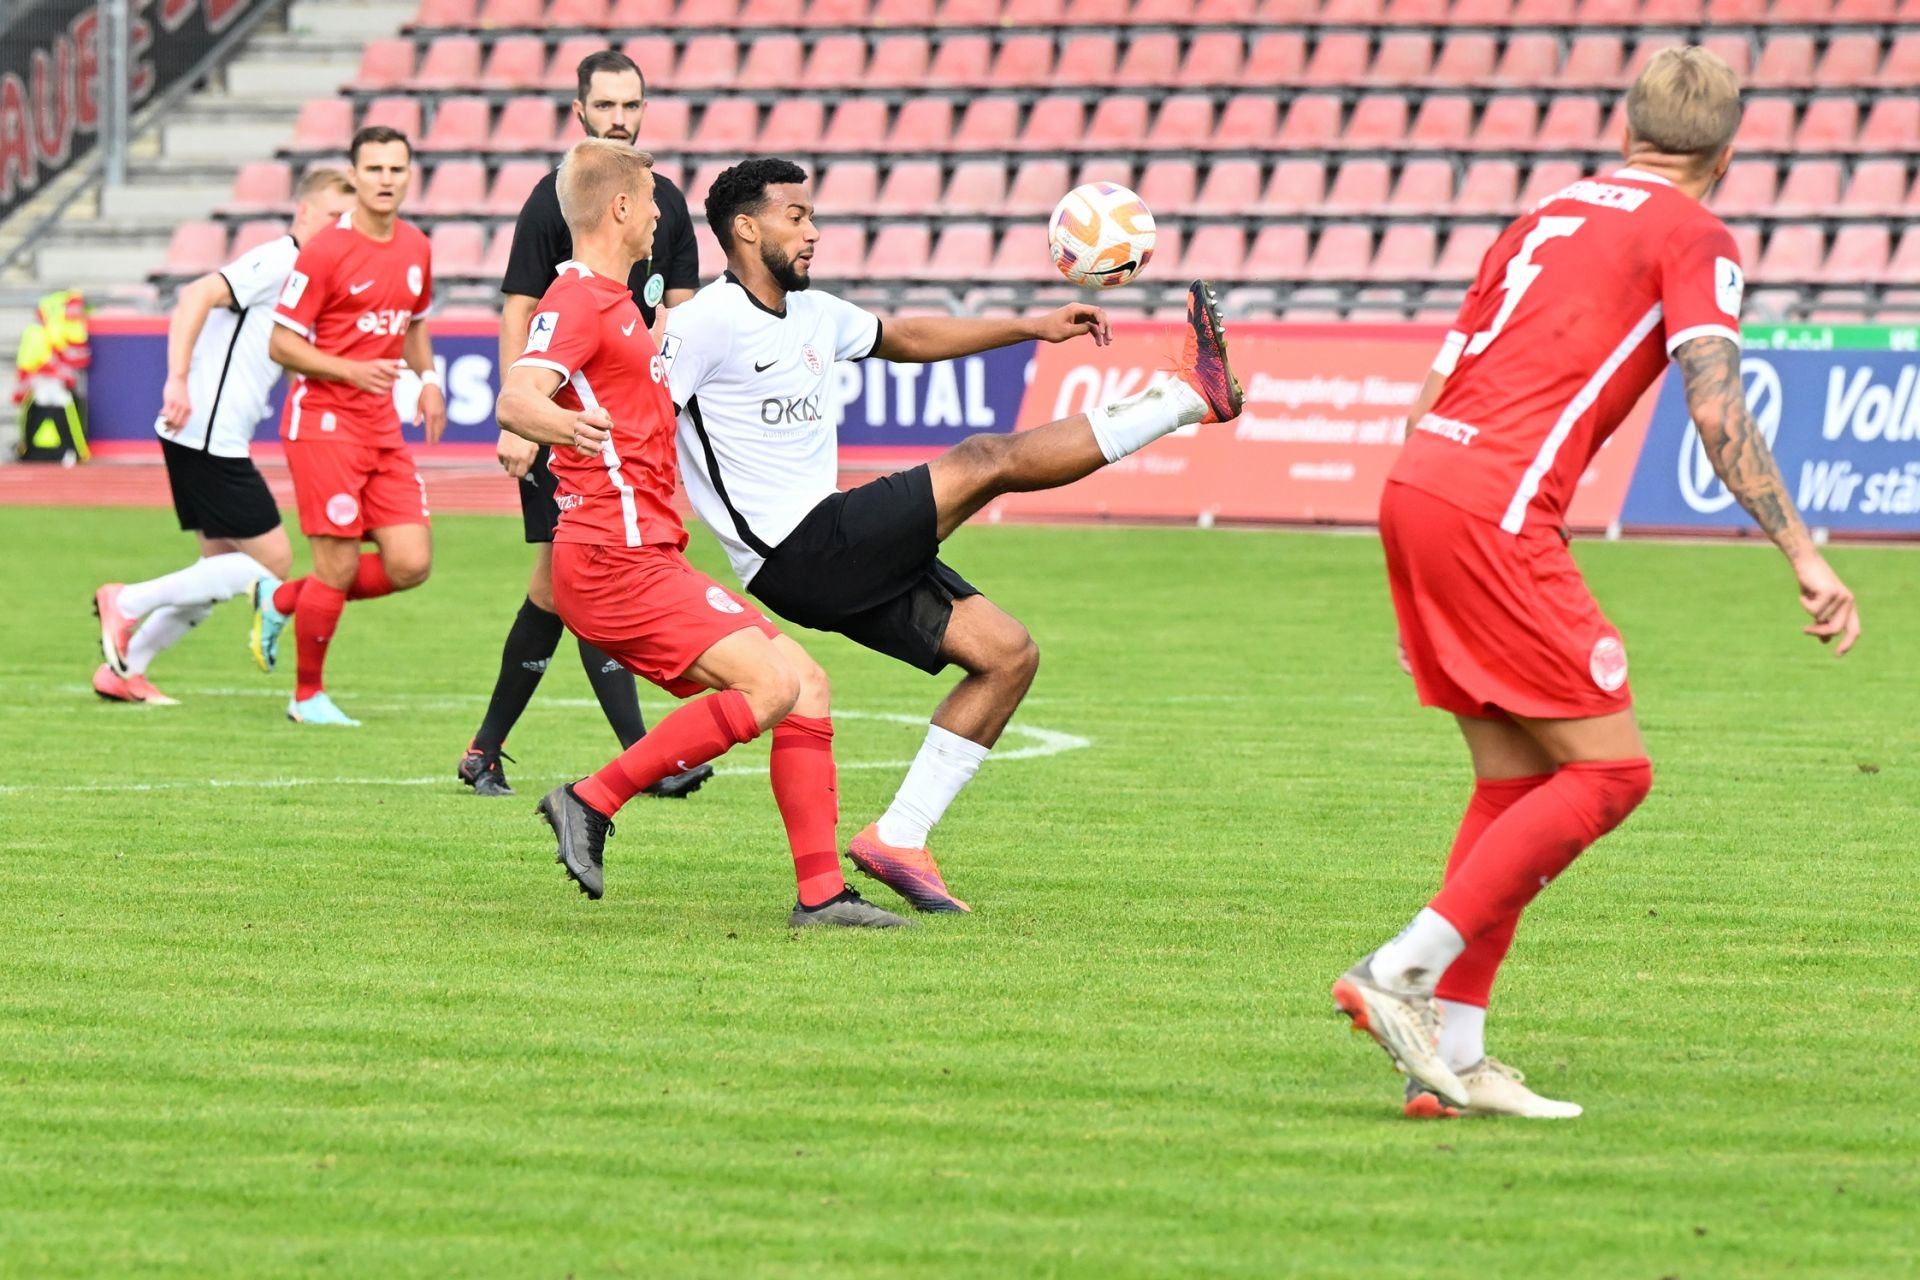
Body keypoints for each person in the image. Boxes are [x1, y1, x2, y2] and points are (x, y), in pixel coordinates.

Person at [1332, 46, 1862, 1120]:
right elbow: (1716, 405)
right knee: (1613, 772)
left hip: (1424, 483)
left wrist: (1422, 576)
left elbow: (1440, 382)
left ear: (1627, 130)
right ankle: (1401, 969)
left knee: (1516, 781)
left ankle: (1454, 1061)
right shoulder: (1695, 234)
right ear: (1726, 152)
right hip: (1498, 507)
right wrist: (1804, 552)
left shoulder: (1542, 215)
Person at [664, 158, 1243, 915]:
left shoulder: (812, 313)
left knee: (1007, 656)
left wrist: (1031, 326)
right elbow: (644, 415)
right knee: (983, 460)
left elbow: (906, 336)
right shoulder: (703, 323)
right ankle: (1188, 397)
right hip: (795, 549)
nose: (813, 232)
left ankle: (898, 838)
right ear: (745, 228)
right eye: (796, 217)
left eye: (811, 216)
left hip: (834, 546)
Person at [498, 139, 906, 927]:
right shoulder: (576, 299)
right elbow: (517, 398)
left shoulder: (621, 304)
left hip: (645, 553)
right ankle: (591, 799)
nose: (662, 214)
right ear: (620, 207)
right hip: (611, 556)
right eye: (652, 201)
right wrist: (566, 428)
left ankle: (822, 895)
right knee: (770, 686)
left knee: (805, 684)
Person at [461, 48, 711, 799]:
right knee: (584, 579)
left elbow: (682, 318)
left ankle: (485, 749)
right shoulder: (556, 200)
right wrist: (521, 423)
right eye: (605, 105)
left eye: (630, 105)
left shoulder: (665, 203)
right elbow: (520, 310)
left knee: (560, 589)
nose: (619, 118)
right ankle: (642, 755)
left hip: (626, 426)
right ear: (579, 111)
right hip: (568, 422)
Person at [91, 169, 357, 704]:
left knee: (216, 573)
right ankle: (126, 601)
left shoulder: (305, 275)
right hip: (207, 433)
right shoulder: (279, 259)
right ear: (304, 212)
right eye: (332, 216)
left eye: (346, 221)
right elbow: (196, 295)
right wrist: (177, 378)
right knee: (271, 562)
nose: (339, 229)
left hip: (207, 433)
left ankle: (125, 670)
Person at [251, 125, 446, 727]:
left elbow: (414, 322)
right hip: (324, 423)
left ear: (409, 175)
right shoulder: (326, 251)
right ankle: (306, 696)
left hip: (380, 425)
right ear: (355, 176)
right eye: (375, 169)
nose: (386, 179)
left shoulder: (416, 246)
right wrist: (351, 370)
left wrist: (429, 378)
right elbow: (282, 343)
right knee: (335, 567)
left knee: (410, 562)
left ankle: (284, 597)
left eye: (396, 168)